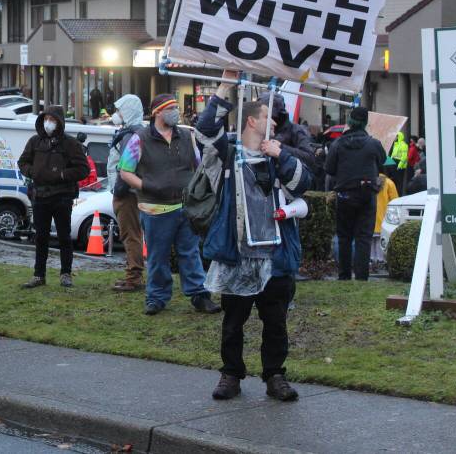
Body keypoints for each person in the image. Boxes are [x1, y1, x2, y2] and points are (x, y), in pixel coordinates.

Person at [196, 72, 312, 403]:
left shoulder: (279, 156)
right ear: (251, 119)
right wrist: (224, 86)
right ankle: (231, 374)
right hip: (238, 257)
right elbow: (205, 131)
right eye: (267, 117)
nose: (274, 124)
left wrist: (283, 156)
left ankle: (275, 376)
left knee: (275, 323)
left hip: (274, 259)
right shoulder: (227, 157)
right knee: (233, 322)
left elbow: (303, 185)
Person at [118, 94, 220, 315]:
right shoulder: (140, 138)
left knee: (190, 253)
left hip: (185, 208)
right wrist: (146, 186)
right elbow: (125, 171)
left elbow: (198, 165)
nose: (176, 111)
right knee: (157, 256)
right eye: (171, 108)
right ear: (157, 111)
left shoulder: (186, 135)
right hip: (154, 210)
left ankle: (199, 295)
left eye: (176, 107)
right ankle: (156, 298)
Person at [17, 105, 90, 289]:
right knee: (40, 237)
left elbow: (83, 169)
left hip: (62, 197)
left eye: (53, 119)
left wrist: (63, 175)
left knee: (64, 237)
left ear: (60, 122)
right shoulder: (35, 141)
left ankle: (66, 273)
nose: (49, 123)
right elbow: (22, 162)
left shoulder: (71, 144)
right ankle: (38, 275)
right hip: (40, 196)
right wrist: (32, 171)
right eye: (46, 119)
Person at [325, 107, 387, 281]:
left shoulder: (337, 144)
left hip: (344, 194)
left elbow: (329, 169)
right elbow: (383, 161)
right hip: (367, 195)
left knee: (344, 236)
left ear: (349, 122)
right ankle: (361, 277)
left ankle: (343, 275)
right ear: (366, 123)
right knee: (364, 237)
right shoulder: (373, 144)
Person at [107, 94, 146, 292]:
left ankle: (134, 277)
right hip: (129, 192)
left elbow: (124, 169)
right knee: (132, 235)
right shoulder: (132, 132)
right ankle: (133, 275)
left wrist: (119, 191)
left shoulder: (131, 135)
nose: (116, 114)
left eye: (120, 110)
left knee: (130, 235)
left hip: (127, 194)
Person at [257, 94, 317, 183]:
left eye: (269, 116)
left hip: (289, 183)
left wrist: (281, 148)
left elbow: (309, 158)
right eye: (264, 116)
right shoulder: (260, 128)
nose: (270, 121)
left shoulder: (296, 130)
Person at [371, 164, 399, 263]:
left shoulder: (369, 182)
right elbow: (395, 201)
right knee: (381, 241)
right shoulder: (389, 183)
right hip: (384, 218)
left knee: (371, 241)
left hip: (370, 217)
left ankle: (371, 260)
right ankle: (380, 260)